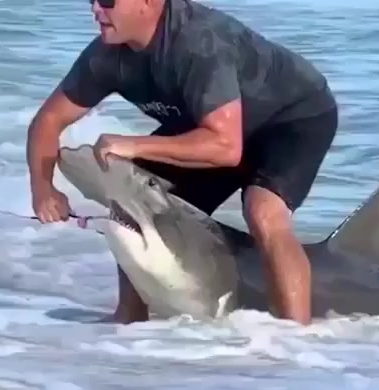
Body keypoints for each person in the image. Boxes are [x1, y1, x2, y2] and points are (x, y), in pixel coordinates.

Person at [27, 0, 338, 326]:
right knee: (132, 191)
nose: (95, 9)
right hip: (218, 126)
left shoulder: (198, 42)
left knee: (263, 212)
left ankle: (295, 337)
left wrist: (133, 145)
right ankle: (130, 320)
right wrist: (42, 188)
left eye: (107, 0)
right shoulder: (106, 57)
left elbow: (226, 148)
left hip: (292, 119)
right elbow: (48, 120)